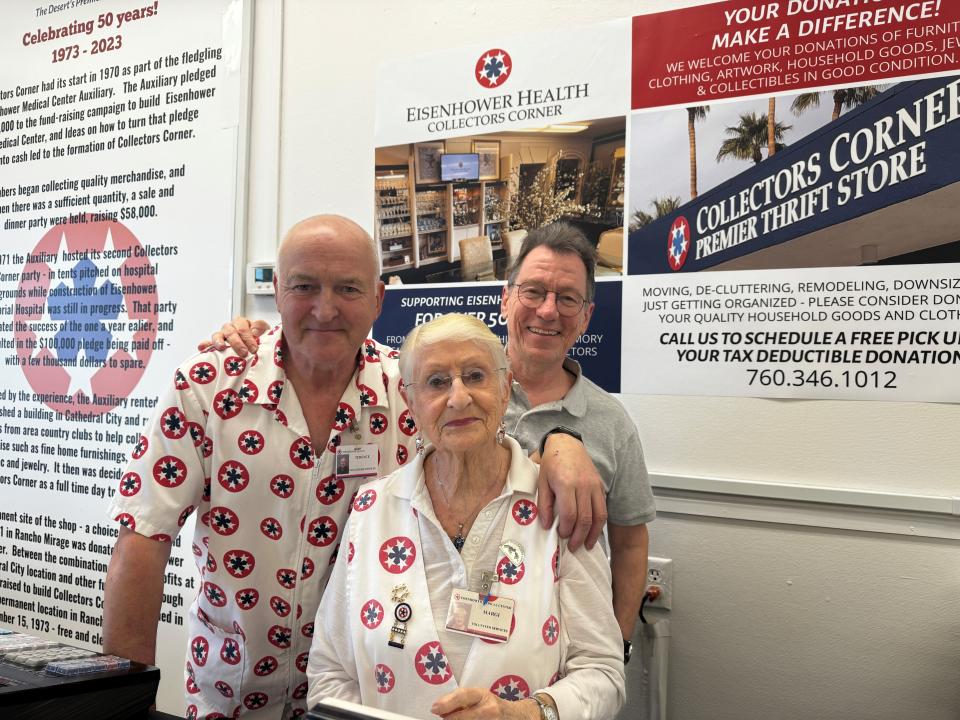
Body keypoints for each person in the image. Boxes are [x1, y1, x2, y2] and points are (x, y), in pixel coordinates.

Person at [104, 215, 607, 719]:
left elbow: (482, 441)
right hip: (231, 690)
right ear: (277, 290)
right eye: (305, 286)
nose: (326, 308)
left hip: (362, 701)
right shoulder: (209, 389)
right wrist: (122, 709)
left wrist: (563, 442)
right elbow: (142, 537)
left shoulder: (407, 389)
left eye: (347, 288)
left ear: (377, 300)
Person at [213, 222, 655, 659]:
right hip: (406, 650)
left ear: (586, 315)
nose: (547, 310)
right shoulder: (423, 389)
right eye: (533, 292)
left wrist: (614, 647)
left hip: (541, 663)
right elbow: (333, 349)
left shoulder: (613, 425)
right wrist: (260, 339)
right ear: (505, 298)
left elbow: (631, 543)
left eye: (568, 298)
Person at [306, 314, 624, 720]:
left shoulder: (557, 504)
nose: (458, 398)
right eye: (437, 382)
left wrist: (523, 714)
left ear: (506, 387)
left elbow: (602, 671)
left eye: (475, 376)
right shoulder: (373, 508)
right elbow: (330, 669)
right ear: (410, 402)